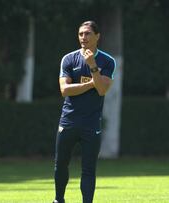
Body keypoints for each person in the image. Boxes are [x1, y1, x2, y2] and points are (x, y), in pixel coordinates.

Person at [53, 21, 116, 203]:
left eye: (87, 34)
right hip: (68, 121)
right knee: (60, 165)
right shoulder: (68, 59)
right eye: (80, 34)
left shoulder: (107, 61)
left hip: (91, 123)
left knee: (89, 169)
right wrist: (91, 84)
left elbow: (102, 90)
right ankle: (59, 199)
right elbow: (65, 90)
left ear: (97, 36)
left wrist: (92, 66)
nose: (83, 37)